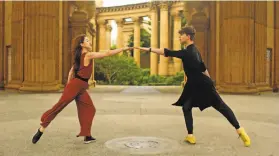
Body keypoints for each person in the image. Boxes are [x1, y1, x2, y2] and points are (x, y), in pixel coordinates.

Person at [134, 25, 251, 147]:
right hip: (201, 83)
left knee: (212, 106)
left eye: (182, 35)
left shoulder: (187, 52)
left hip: (196, 84)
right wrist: (211, 84)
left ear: (188, 36)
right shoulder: (195, 50)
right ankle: (193, 135)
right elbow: (203, 68)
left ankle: (239, 130)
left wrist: (148, 49)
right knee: (200, 107)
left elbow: (166, 52)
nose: (179, 37)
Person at [32, 34, 132, 144]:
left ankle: (87, 135)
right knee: (59, 106)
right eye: (87, 41)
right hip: (76, 85)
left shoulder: (80, 55)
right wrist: (123, 48)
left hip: (80, 86)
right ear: (82, 44)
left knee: (90, 108)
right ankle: (41, 129)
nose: (90, 42)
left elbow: (71, 70)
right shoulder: (87, 55)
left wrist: (69, 83)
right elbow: (107, 53)